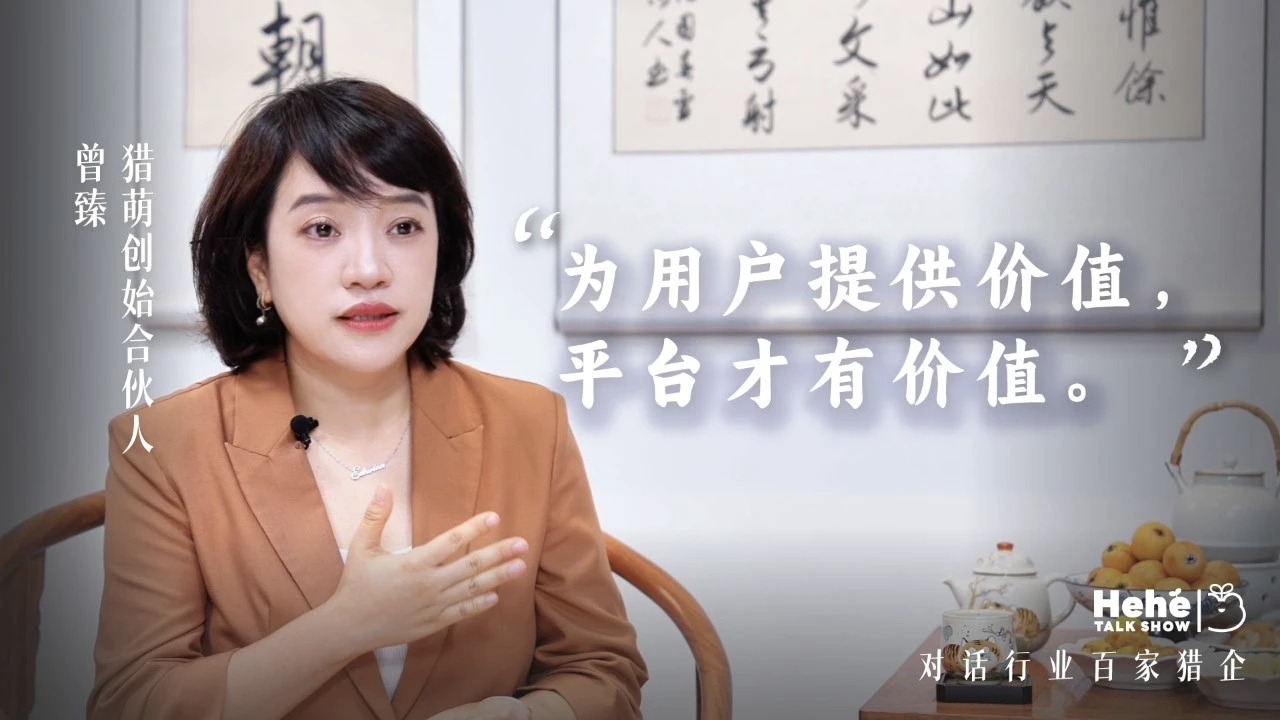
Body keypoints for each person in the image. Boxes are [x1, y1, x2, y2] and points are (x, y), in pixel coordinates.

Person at [87, 78, 647, 720]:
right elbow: (131, 703)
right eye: (322, 228)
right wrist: (344, 627)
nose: (370, 269)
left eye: (404, 226)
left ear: (441, 248)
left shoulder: (529, 424)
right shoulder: (164, 446)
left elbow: (602, 669)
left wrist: (523, 716)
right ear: (259, 266)